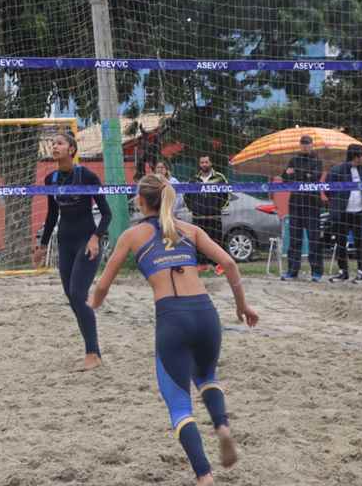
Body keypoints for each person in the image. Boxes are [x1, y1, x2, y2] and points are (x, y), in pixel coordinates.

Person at [89, 174, 259, 486]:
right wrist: (242, 307)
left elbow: (103, 283)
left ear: (140, 201)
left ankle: (205, 476)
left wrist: (93, 303)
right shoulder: (191, 230)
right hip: (206, 314)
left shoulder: (132, 235)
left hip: (172, 318)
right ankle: (222, 427)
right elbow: (230, 265)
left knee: (179, 405)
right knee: (207, 377)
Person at [32, 132, 113, 370]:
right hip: (64, 243)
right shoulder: (51, 179)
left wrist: (96, 237)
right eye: (53, 143)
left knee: (78, 294)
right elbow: (51, 215)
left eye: (60, 143)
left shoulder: (86, 176)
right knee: (72, 297)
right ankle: (93, 351)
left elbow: (107, 214)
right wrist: (43, 245)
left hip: (87, 241)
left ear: (72, 149)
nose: (54, 146)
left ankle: (92, 354)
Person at [279, 134, 324, 281]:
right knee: (295, 239)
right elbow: (285, 177)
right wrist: (295, 174)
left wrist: (297, 174)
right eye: (303, 143)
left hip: (312, 204)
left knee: (314, 239)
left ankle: (316, 272)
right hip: (296, 204)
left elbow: (315, 177)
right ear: (300, 145)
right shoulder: (293, 159)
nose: (305, 146)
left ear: (312, 145)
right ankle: (292, 271)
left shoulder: (317, 160)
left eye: (308, 143)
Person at [327, 144, 362, 283]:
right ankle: (343, 272)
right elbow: (328, 190)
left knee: (360, 243)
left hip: (359, 212)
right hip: (342, 213)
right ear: (356, 156)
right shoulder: (337, 170)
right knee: (341, 243)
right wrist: (337, 203)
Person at [184, 155, 230, 272]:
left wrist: (218, 208)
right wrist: (193, 209)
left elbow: (227, 195)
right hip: (198, 217)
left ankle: (217, 266)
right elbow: (186, 197)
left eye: (206, 162)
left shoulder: (220, 178)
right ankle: (202, 265)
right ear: (199, 164)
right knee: (199, 242)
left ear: (211, 163)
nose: (204, 164)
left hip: (215, 216)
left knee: (216, 241)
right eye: (202, 162)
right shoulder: (193, 179)